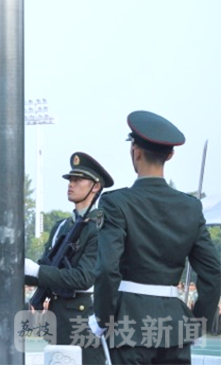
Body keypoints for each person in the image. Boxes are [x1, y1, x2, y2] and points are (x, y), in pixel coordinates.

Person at [90, 110, 221, 364]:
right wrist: (199, 324)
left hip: (129, 324)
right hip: (175, 327)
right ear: (170, 155)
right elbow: (213, 272)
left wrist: (103, 318)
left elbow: (107, 268)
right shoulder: (191, 207)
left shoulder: (116, 203)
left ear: (135, 151)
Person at [24, 151, 113, 365]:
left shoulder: (100, 229)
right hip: (58, 318)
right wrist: (20, 271)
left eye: (78, 179)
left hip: (84, 319)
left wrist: (37, 271)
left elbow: (83, 278)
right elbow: (46, 270)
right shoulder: (61, 227)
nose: (71, 184)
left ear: (96, 187)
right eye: (70, 179)